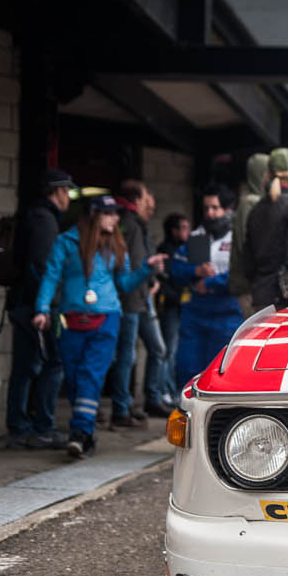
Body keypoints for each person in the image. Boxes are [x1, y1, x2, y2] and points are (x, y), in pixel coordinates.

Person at [33, 195, 167, 459]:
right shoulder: (65, 243)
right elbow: (50, 276)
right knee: (73, 380)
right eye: (110, 213)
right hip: (70, 319)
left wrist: (145, 270)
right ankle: (86, 431)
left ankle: (80, 433)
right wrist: (42, 309)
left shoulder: (117, 245)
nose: (116, 218)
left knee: (89, 375)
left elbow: (125, 284)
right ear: (94, 214)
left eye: (116, 213)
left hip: (106, 318)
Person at [3, 168, 74, 450]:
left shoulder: (33, 215)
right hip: (36, 306)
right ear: (58, 191)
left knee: (25, 367)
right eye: (67, 191)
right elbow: (44, 267)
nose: (68, 197)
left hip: (23, 302)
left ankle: (19, 429)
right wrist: (45, 307)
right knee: (52, 363)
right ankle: (42, 428)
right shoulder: (45, 220)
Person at [104, 180, 167, 429]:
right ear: (137, 201)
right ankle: (121, 409)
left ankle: (145, 400)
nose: (148, 205)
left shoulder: (135, 223)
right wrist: (145, 275)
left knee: (153, 350)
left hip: (141, 296)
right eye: (145, 199)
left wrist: (150, 280)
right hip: (129, 299)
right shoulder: (128, 224)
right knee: (126, 357)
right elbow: (126, 263)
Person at [172, 185, 244, 387]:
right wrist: (195, 272)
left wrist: (210, 282)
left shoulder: (237, 238)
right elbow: (175, 268)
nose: (209, 213)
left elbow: (242, 275)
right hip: (195, 313)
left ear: (227, 209)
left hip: (226, 314)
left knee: (221, 372)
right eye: (206, 208)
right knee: (187, 369)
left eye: (214, 208)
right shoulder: (196, 237)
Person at [244, 148, 288, 310]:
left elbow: (247, 260)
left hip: (260, 296)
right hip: (287, 299)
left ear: (268, 173)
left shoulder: (256, 209)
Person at [149, 212, 191, 413]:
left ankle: (167, 390)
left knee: (172, 350)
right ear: (173, 231)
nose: (187, 232)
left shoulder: (182, 251)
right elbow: (167, 281)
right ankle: (163, 392)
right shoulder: (166, 252)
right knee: (167, 349)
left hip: (181, 306)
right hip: (170, 305)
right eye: (183, 228)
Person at [227, 152, 270, 311]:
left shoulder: (258, 201)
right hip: (249, 287)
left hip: (254, 285)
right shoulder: (250, 203)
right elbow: (246, 243)